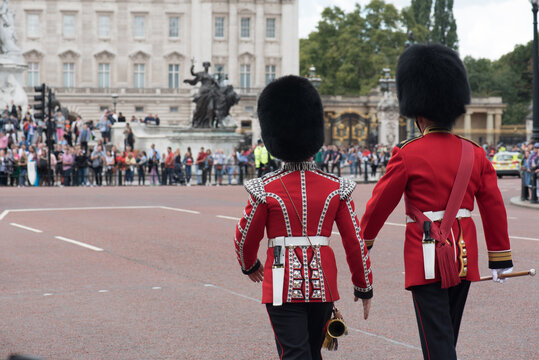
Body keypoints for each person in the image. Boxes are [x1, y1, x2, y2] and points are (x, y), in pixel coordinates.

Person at [359, 44, 513, 360]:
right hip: (464, 256)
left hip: (425, 254)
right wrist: (500, 258)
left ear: (417, 113)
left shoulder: (407, 153)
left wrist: (365, 240)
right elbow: (493, 207)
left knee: (438, 344)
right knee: (445, 339)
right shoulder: (476, 153)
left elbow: (379, 203)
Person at [234, 75, 373, 360]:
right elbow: (354, 241)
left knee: (294, 353)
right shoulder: (336, 187)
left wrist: (250, 265)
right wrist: (363, 285)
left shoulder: (265, 188)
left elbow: (245, 237)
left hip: (281, 282)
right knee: (311, 352)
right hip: (323, 283)